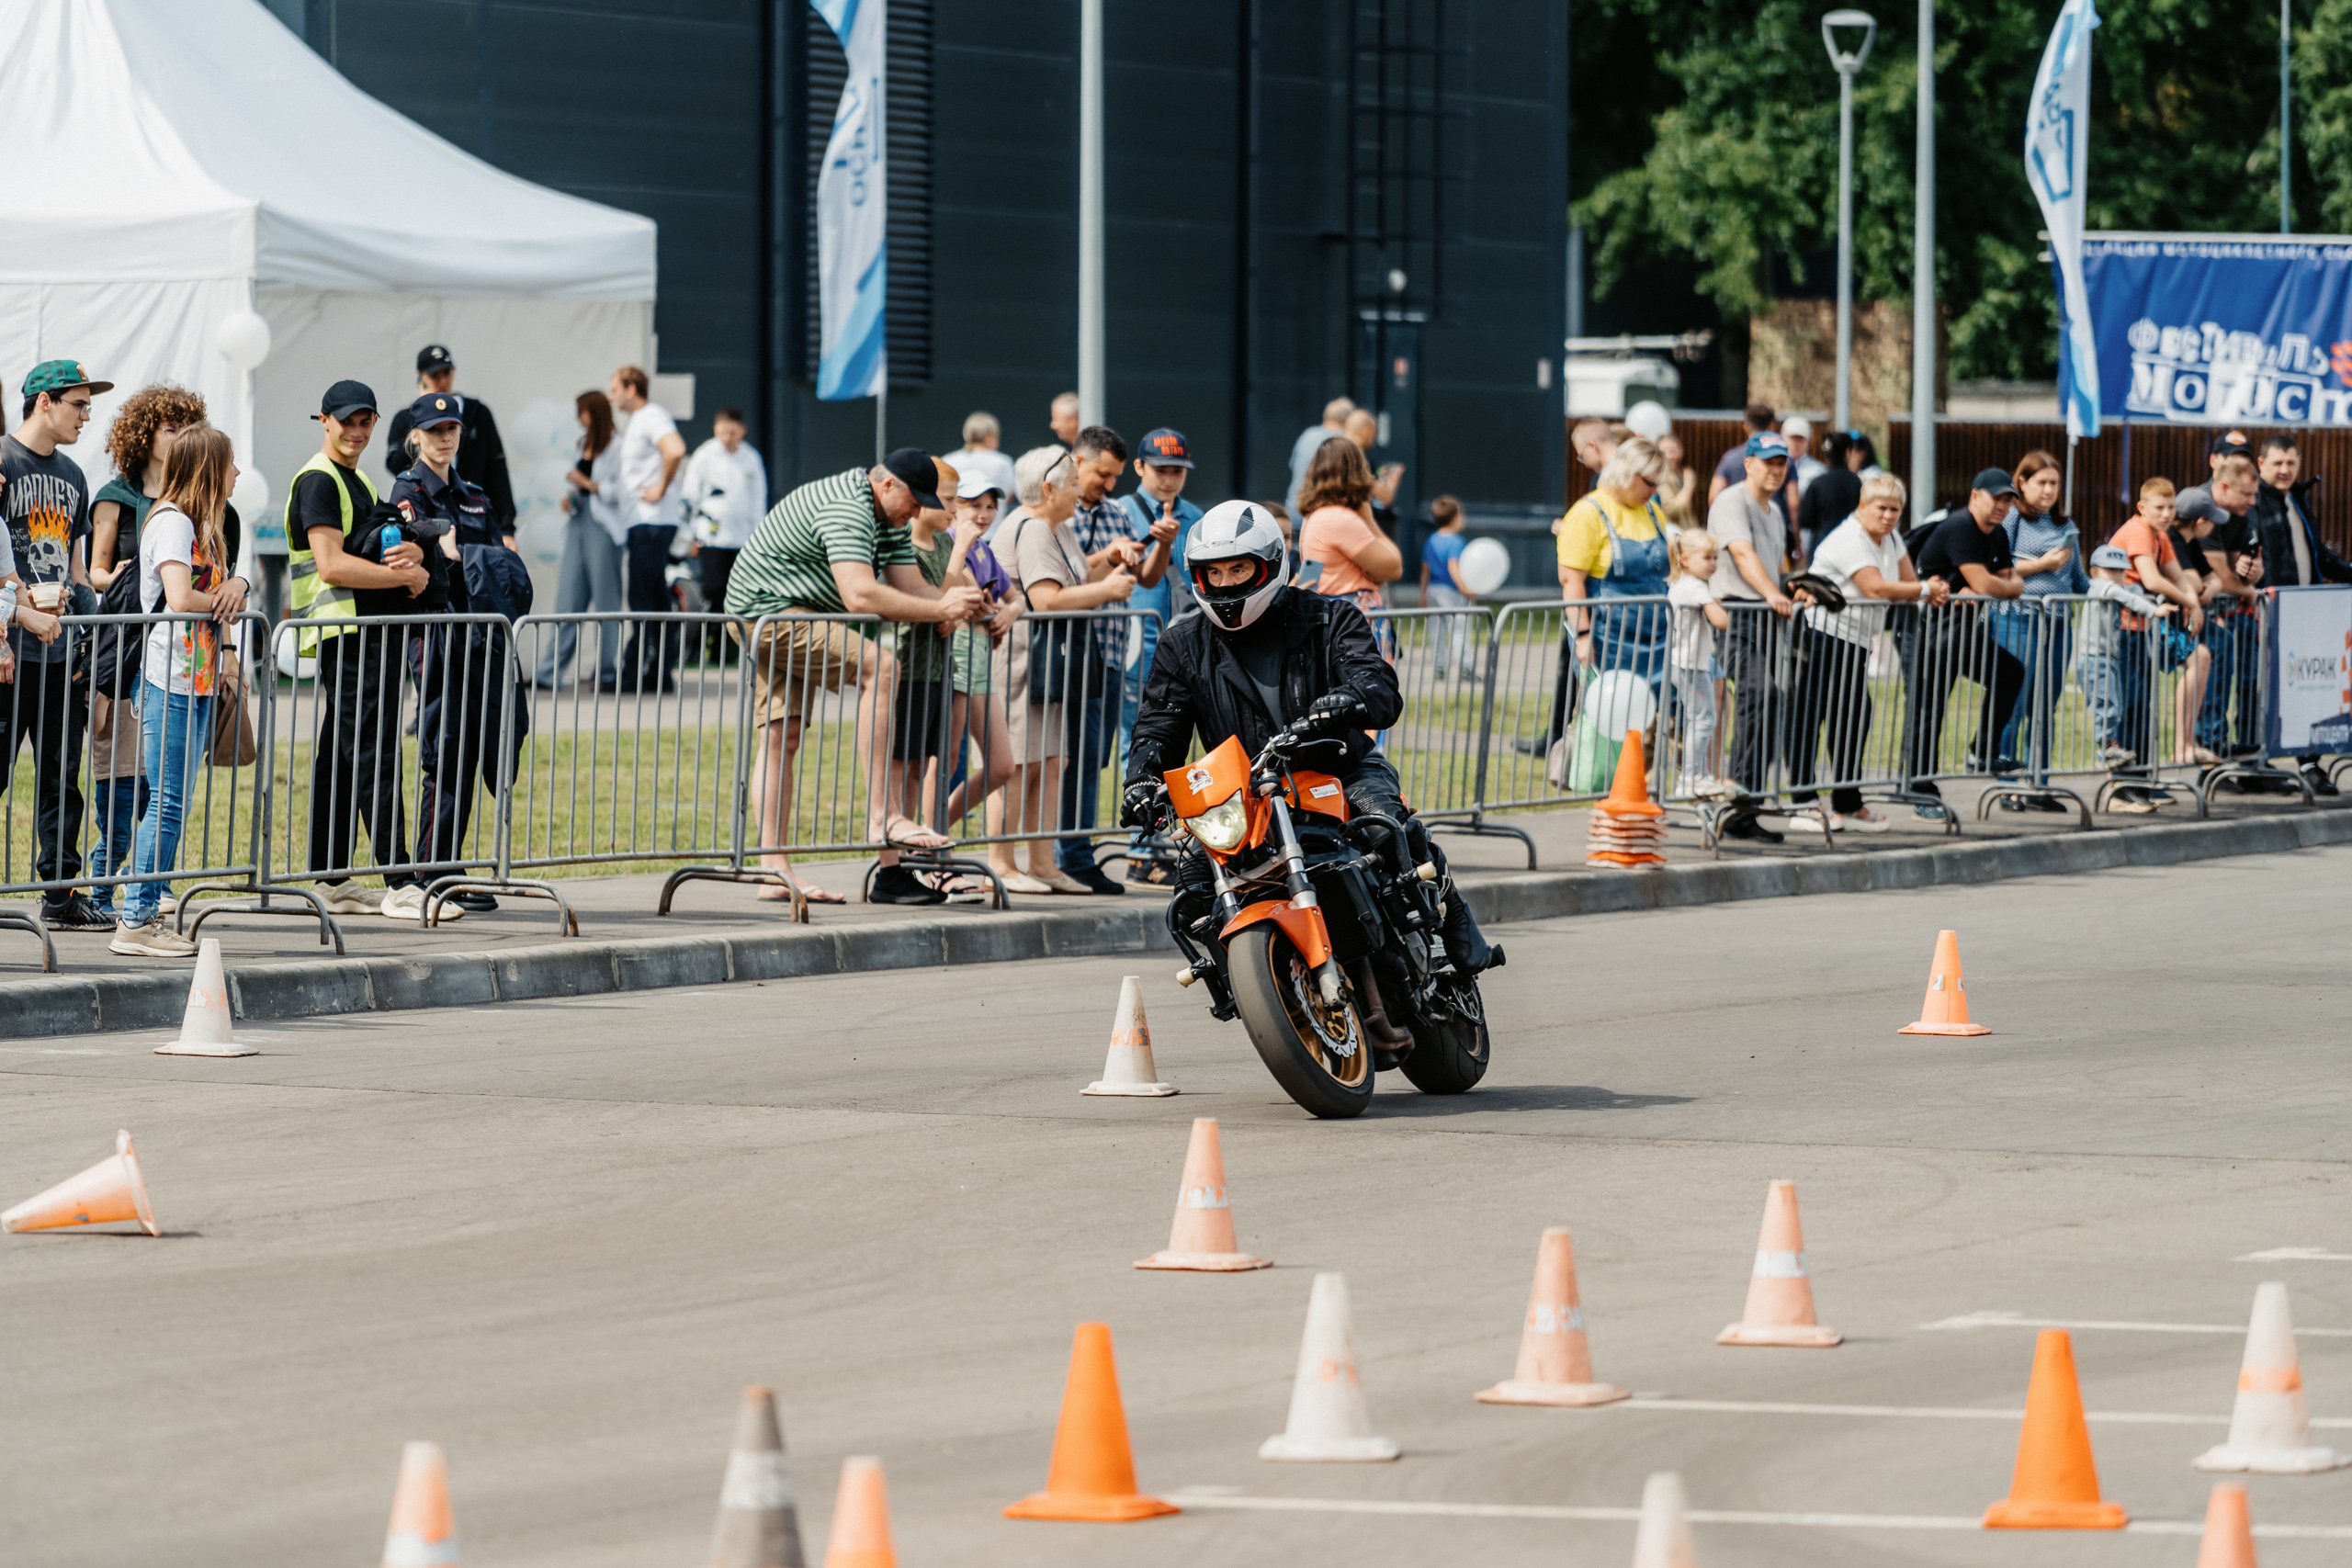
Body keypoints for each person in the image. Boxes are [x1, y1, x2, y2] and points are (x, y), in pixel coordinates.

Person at [1120, 499, 1496, 977]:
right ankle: (1243, 985)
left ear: (1271, 565)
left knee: (1385, 828)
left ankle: (1446, 913)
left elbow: (1377, 684)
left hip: (1338, 767)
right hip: (1246, 794)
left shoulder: (1329, 618)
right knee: (1192, 890)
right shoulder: (1182, 644)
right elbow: (1159, 724)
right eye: (1213, 573)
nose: (1226, 583)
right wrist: (1141, 782)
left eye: (1239, 569)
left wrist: (1346, 700)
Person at [725, 448, 984, 907]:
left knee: (781, 735)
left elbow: (912, 590)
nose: (917, 511)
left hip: (787, 610)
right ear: (886, 484)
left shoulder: (890, 519)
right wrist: (939, 608)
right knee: (880, 666)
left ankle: (772, 867)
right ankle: (881, 816)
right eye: (913, 499)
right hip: (764, 611)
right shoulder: (848, 507)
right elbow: (861, 596)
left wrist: (959, 601)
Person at [285, 378, 433, 918]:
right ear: (323, 421)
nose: (356, 430)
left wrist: (411, 555)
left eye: (366, 421)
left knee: (341, 753)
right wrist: (402, 581)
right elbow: (331, 566)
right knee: (374, 748)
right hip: (347, 635)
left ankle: (330, 877)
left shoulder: (357, 479)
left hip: (358, 632)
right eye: (345, 420)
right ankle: (400, 879)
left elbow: (374, 543)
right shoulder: (320, 481)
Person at [390, 391, 534, 917]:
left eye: (452, 428)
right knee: (444, 749)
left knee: (475, 747)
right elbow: (413, 555)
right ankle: (434, 871)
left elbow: (504, 567)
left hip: (483, 637)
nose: (445, 437)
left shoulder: (474, 494)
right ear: (416, 436)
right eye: (434, 430)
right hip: (438, 637)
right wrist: (448, 549)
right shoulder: (408, 492)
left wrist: (461, 554)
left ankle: (450, 865)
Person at [110, 426, 246, 956]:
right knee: (165, 805)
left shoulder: (207, 526)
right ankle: (136, 919)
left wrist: (237, 585)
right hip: (168, 677)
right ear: (210, 468)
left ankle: (142, 913)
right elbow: (177, 595)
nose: (236, 473)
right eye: (230, 464)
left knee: (173, 804)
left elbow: (211, 592)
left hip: (198, 677)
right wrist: (229, 589)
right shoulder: (172, 522)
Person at [85, 384, 205, 923]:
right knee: (127, 782)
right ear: (145, 433)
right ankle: (109, 890)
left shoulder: (197, 506)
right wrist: (140, 578)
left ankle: (145, 892)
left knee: (162, 788)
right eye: (167, 426)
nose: (177, 435)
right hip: (131, 646)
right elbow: (97, 570)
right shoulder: (121, 495)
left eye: (186, 426)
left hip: (182, 655)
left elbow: (215, 577)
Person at [1, 359, 111, 931]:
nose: (86, 416)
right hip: (6, 649)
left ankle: (60, 894)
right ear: (44, 402)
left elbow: (77, 570)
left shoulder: (72, 475)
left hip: (59, 651)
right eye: (78, 404)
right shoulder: (1, 460)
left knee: (60, 778)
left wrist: (85, 621)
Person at [999, 445, 1137, 894]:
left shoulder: (1056, 528)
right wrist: (1110, 590)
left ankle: (1043, 864)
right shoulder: (1034, 529)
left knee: (1052, 761)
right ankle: (1002, 862)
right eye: (1073, 484)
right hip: (1024, 664)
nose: (1079, 491)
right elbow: (1048, 599)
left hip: (1052, 668)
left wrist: (1107, 563)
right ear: (1047, 489)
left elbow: (1076, 579)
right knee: (1019, 764)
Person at [1789, 474, 1944, 833]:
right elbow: (1875, 588)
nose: (1889, 516)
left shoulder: (1889, 538)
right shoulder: (1851, 537)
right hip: (1821, 630)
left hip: (1855, 637)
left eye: (1895, 509)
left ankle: (1846, 802)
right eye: (1881, 508)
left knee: (1855, 713)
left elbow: (1906, 580)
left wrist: (1922, 589)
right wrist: (1925, 589)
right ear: (1862, 507)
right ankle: (1804, 801)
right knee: (1811, 715)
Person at [1050, 424, 1148, 894]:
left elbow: (1143, 574)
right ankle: (1069, 854)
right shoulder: (1053, 516)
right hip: (1071, 653)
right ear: (1078, 462)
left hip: (1109, 651)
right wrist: (1108, 558)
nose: (1109, 486)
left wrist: (1143, 548)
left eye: (1115, 477)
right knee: (1070, 757)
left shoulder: (1116, 514)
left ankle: (1072, 850)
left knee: (1091, 758)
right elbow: (1061, 580)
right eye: (1102, 475)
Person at [1905, 468, 2028, 797]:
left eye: (2008, 500)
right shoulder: (1961, 527)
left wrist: (1997, 588)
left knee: (2010, 672)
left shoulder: (1997, 533)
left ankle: (1983, 752)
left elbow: (2010, 582)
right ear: (1975, 496)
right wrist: (1995, 587)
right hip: (1925, 628)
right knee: (1930, 704)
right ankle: (1918, 785)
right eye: (1996, 497)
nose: (2002, 506)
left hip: (1959, 629)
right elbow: (1990, 584)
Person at [931, 469, 1023, 893]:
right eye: (973, 505)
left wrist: (1010, 612)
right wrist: (992, 611)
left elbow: (1009, 598)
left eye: (991, 506)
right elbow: (972, 600)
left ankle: (932, 834)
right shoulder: (951, 544)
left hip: (982, 663)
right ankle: (933, 853)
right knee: (947, 760)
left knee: (1002, 766)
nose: (983, 514)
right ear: (953, 506)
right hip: (956, 659)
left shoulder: (984, 549)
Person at [1707, 429, 1800, 840]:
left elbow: (1771, 567)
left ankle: (1749, 805)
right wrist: (1772, 594)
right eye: (1769, 462)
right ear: (1748, 464)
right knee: (1757, 696)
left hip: (1765, 615)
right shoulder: (1732, 501)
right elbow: (1742, 555)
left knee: (1770, 701)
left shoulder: (1775, 511)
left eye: (1782, 463)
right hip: (1737, 614)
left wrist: (1794, 591)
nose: (1777, 470)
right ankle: (1735, 806)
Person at [1990, 448, 2086, 798]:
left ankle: (2039, 782)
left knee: (2045, 705)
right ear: (2023, 483)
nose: (2048, 490)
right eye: (2042, 482)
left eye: (2054, 484)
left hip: (2057, 623)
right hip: (2017, 618)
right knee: (2013, 701)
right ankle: (2007, 782)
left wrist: (2114, 587)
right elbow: (1997, 568)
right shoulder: (2012, 518)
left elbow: (2079, 580)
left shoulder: (2066, 525)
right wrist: (2041, 565)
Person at [533, 390, 628, 690]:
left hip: (604, 528)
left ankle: (608, 673)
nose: (578, 418)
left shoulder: (618, 446)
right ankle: (549, 673)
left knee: (607, 602)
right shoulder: (582, 444)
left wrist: (588, 484)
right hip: (578, 522)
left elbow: (621, 492)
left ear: (595, 412)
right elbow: (580, 486)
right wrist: (571, 498)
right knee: (567, 601)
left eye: (583, 412)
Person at [2077, 542, 2177, 814]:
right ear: (2095, 571)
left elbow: (2133, 590)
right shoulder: (2099, 587)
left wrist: (2156, 592)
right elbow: (2127, 597)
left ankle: (2111, 746)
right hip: (2093, 657)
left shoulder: (2117, 586)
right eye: (2111, 570)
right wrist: (2153, 610)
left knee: (2115, 705)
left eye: (2122, 571)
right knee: (2105, 704)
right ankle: (2107, 748)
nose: (2117, 576)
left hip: (2108, 656)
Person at [2179, 454, 2265, 764]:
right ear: (2224, 486)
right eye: (2247, 494)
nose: (2253, 501)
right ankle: (2209, 738)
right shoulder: (2201, 509)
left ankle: (2223, 740)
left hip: (2209, 610)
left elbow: (2223, 574)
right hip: (2177, 613)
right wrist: (2244, 588)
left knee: (2227, 649)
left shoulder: (2236, 513)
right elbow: (2213, 573)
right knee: (2214, 649)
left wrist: (2249, 576)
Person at [608, 366, 687, 691]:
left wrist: (660, 487)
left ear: (630, 388)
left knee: (643, 600)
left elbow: (676, 449)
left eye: (615, 389)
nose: (612, 395)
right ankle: (658, 674)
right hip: (648, 524)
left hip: (650, 524)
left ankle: (634, 674)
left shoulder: (651, 416)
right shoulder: (642, 420)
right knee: (654, 601)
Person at [381, 344, 514, 534]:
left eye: (452, 428)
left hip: (473, 517)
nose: (445, 438)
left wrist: (507, 528)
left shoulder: (477, 413)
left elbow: (497, 471)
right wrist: (423, 416)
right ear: (421, 377)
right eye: (435, 375)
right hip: (429, 513)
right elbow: (394, 464)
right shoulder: (405, 419)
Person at [684, 405, 766, 663]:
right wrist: (692, 535)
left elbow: (758, 501)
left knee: (736, 594)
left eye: (731, 433)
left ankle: (723, 651)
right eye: (721, 433)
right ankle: (699, 647)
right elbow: (690, 496)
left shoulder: (751, 458)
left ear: (742, 431)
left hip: (741, 538)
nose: (726, 438)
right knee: (714, 590)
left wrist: (758, 539)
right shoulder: (705, 456)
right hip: (712, 537)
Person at [1299, 437, 1404, 622]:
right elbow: (1394, 567)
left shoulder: (1315, 516)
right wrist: (1370, 522)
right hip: (1353, 626)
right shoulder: (1339, 519)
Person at [1665, 529, 1731, 796]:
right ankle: (1691, 778)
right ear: (1686, 559)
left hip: (1688, 662)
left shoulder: (1683, 586)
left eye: (1716, 557)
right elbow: (1721, 621)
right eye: (1707, 558)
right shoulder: (1694, 587)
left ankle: (1698, 775)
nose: (1713, 563)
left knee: (1701, 719)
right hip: (1688, 664)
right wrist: (1715, 605)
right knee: (1703, 720)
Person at [1419, 494, 1475, 679]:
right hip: (1451, 591)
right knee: (1459, 629)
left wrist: (1423, 595)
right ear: (1455, 518)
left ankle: (1439, 667)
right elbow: (1453, 567)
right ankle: (1465, 667)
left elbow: (1425, 570)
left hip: (1433, 590)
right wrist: (1464, 588)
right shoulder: (1455, 541)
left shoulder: (1431, 540)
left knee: (1436, 630)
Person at [1797, 429, 1868, 560]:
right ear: (1848, 452)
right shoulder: (1856, 482)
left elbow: (1805, 520)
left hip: (1821, 545)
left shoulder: (1817, 483)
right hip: (1850, 546)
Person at [1286, 396, 1356, 515]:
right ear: (1349, 420)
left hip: (1293, 510)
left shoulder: (1308, 434)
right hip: (1318, 514)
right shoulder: (1343, 440)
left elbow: (1293, 467)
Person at [1342, 408, 1406, 525]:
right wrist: (1393, 479)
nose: (1374, 438)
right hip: (1355, 523)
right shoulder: (1360, 458)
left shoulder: (1332, 451)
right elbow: (1385, 496)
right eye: (1374, 433)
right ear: (1366, 430)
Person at [944, 410, 1020, 508]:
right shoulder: (1004, 462)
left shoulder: (948, 461)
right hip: (996, 522)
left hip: (956, 522)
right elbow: (1010, 496)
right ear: (989, 437)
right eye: (997, 436)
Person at [1708, 403, 1777, 505]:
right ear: (1772, 426)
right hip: (1771, 516)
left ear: (1746, 426)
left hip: (1736, 517)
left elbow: (1714, 497)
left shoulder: (1730, 458)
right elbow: (1793, 502)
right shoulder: (1783, 460)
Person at [1653, 432, 1698, 529]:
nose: (1671, 456)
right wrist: (1688, 485)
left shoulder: (1678, 476)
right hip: (1673, 536)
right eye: (1666, 451)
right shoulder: (1661, 477)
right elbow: (1672, 510)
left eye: (1673, 450)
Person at [1784, 416, 1826, 499]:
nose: (1795, 443)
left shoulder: (1819, 471)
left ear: (1809, 442)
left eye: (1800, 439)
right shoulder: (1773, 467)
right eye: (1791, 438)